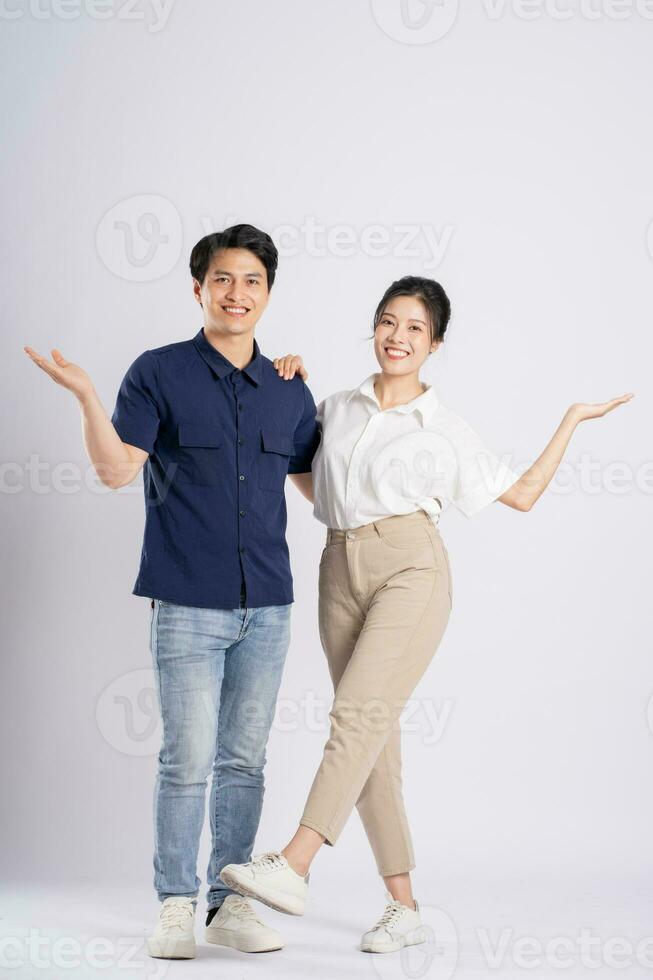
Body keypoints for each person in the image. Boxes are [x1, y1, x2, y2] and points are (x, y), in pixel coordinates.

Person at [220, 275, 634, 954]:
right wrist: (284, 379)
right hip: (337, 567)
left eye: (414, 327)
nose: (397, 337)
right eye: (387, 322)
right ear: (374, 329)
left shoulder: (443, 428)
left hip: (410, 569)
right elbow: (306, 474)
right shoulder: (337, 407)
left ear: (434, 343)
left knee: (353, 718)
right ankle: (405, 907)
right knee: (373, 746)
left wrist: (571, 419)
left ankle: (294, 863)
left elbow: (522, 494)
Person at [23, 224, 321, 959]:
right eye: (222, 279)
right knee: (186, 760)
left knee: (244, 761)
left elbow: (320, 487)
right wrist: (88, 396)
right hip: (187, 603)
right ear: (198, 289)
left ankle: (229, 905)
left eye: (251, 280)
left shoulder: (289, 387)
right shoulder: (157, 372)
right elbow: (118, 470)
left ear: (268, 293)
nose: (236, 293)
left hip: (269, 607)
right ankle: (175, 903)